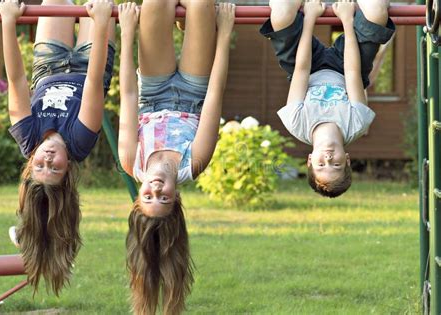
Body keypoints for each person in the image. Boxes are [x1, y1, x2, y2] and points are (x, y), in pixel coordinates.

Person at [117, 1, 235, 313]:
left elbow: (128, 95)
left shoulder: (132, 160)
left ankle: (185, 20)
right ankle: (197, 22)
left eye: (148, 196)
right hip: (195, 90)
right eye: (164, 199)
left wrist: (127, 33)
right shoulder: (194, 162)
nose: (155, 188)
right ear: (177, 200)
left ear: (138, 195)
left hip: (153, 91)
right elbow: (214, 94)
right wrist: (223, 34)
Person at [0, 0, 115, 294]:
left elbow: (16, 79)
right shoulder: (79, 142)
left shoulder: (28, 136)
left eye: (40, 166)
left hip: (48, 65)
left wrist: (8, 21)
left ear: (30, 165)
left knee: (54, 3)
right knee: (100, 4)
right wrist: (102, 22)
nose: (47, 159)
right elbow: (91, 82)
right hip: (91, 62)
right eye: (55, 168)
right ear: (68, 171)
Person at [260, 0, 395, 197]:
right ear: (347, 159)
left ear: (310, 160)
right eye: (336, 164)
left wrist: (310, 18)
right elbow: (352, 72)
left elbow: (301, 70)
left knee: (281, 14)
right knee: (377, 12)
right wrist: (347, 21)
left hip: (307, 65)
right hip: (346, 66)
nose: (329, 158)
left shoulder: (296, 122)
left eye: (321, 164)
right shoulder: (356, 122)